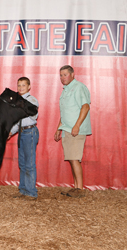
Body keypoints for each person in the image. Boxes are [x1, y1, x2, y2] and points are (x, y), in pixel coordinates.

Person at [54, 65, 91, 198]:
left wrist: (77, 126)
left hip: (75, 129)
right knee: (71, 158)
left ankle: (80, 189)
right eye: (61, 75)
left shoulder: (79, 87)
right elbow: (65, 112)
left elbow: (85, 107)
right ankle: (76, 187)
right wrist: (59, 128)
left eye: (65, 74)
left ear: (72, 74)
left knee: (74, 158)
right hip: (67, 128)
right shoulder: (65, 90)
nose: (63, 78)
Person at [8, 77, 39, 201]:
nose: (21, 88)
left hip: (30, 132)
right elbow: (18, 121)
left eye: (23, 85)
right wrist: (11, 131)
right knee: (22, 163)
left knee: (29, 164)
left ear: (29, 87)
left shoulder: (32, 100)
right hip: (21, 132)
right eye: (19, 85)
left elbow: (31, 114)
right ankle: (23, 190)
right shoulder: (18, 101)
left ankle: (31, 192)